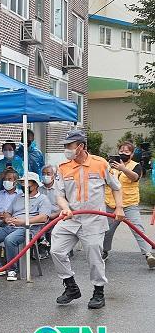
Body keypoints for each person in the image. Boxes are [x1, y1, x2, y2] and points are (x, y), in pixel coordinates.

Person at [50, 130, 124, 310]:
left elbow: (116, 187)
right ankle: (71, 287)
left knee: (94, 256)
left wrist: (119, 207)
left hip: (94, 219)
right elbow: (59, 195)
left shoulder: (100, 163)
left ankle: (98, 292)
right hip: (70, 218)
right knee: (56, 251)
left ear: (80, 146)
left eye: (69, 145)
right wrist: (65, 207)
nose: (66, 149)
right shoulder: (63, 167)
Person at [0, 172, 51, 281]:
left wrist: (23, 221)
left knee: (10, 240)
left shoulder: (43, 199)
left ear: (35, 185)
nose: (24, 186)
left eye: (27, 184)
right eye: (22, 183)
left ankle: (12, 269)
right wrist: (8, 218)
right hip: (11, 226)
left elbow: (43, 218)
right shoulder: (18, 197)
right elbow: (8, 212)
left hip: (27, 229)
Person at [103, 142, 155, 268]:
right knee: (107, 230)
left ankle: (148, 254)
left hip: (129, 204)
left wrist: (123, 169)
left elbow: (135, 177)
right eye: (121, 151)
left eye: (127, 152)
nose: (123, 153)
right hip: (111, 204)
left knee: (137, 228)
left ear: (131, 154)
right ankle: (104, 251)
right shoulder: (110, 165)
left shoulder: (136, 165)